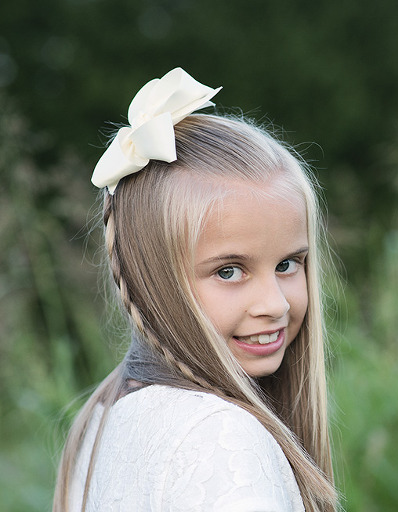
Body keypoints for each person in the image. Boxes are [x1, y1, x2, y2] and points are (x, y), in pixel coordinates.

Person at [52, 68, 338, 512]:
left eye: (287, 265)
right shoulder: (221, 439)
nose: (275, 304)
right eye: (229, 271)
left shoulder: (103, 420)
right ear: (154, 281)